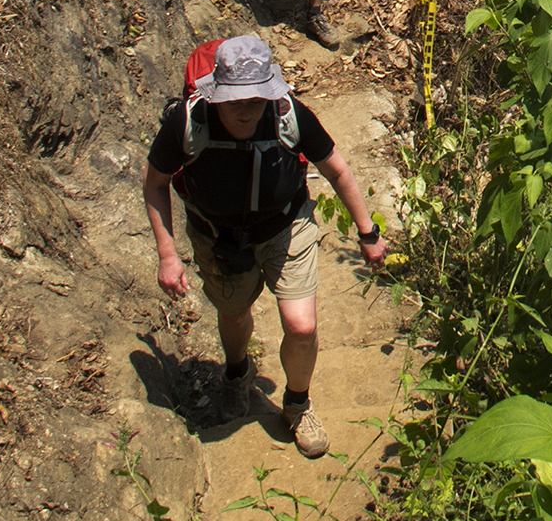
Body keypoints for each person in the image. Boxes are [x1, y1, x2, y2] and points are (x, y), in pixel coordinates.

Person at [142, 34, 386, 457]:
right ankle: (237, 374)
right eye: (236, 101)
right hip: (217, 238)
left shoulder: (289, 115)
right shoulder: (187, 122)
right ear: (216, 94)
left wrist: (368, 233)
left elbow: (338, 171)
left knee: (302, 325)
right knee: (234, 315)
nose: (246, 111)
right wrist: (167, 253)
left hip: (285, 228)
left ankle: (296, 404)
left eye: (255, 101)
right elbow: (155, 184)